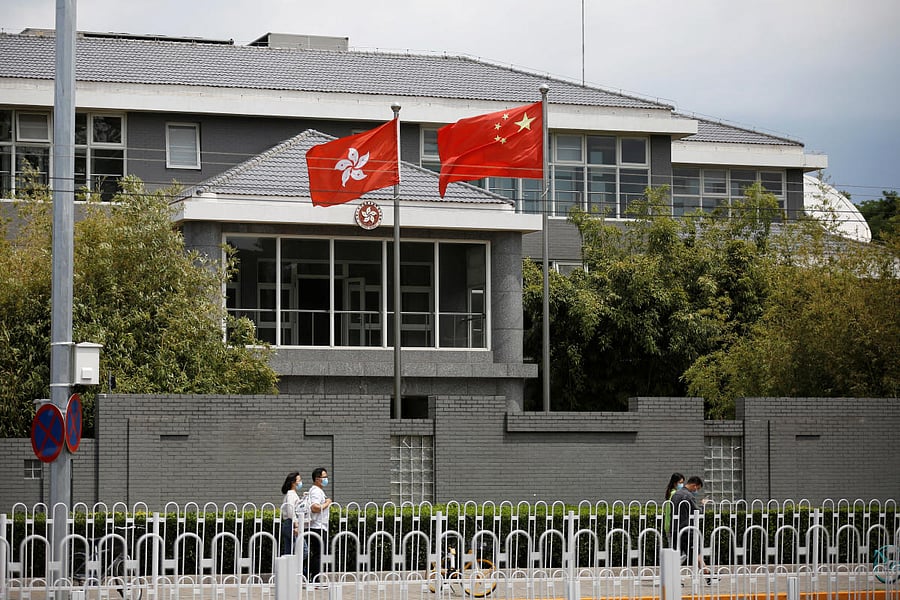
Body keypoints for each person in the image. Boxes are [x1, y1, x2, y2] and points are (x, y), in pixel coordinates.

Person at [671, 475, 718, 583]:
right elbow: (697, 512)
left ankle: (707, 575)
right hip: (687, 529)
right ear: (694, 485)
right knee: (694, 553)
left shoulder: (675, 495)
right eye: (697, 488)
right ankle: (707, 575)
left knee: (679, 554)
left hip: (675, 528)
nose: (696, 491)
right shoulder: (688, 496)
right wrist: (703, 505)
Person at [307, 467, 334, 587]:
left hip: (320, 526)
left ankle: (315, 577)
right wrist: (328, 503)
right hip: (317, 526)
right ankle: (316, 579)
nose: (326, 479)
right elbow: (315, 507)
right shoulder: (316, 491)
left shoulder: (318, 490)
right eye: (324, 477)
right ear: (317, 479)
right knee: (319, 553)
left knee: (319, 553)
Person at [280, 471, 309, 556]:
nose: (300, 482)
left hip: (288, 524)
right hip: (291, 524)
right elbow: (290, 511)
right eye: (299, 480)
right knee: (303, 551)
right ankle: (297, 568)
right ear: (293, 482)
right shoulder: (291, 494)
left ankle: (289, 568)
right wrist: (296, 525)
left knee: (289, 552)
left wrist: (303, 498)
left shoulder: (291, 494)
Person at [663, 473, 684, 546]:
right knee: (675, 549)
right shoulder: (675, 494)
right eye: (680, 483)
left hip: (669, 524)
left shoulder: (670, 492)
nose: (682, 485)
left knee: (672, 548)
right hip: (673, 526)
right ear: (675, 483)